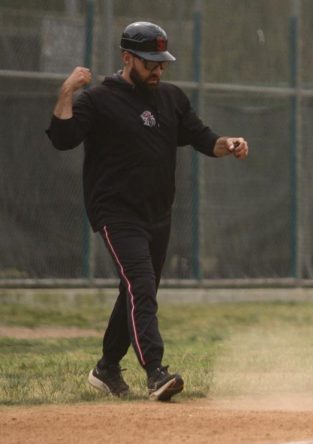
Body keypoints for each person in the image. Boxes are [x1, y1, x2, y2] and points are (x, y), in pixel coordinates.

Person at [45, 21, 249, 401]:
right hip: (116, 212)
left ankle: (106, 368)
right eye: (150, 62)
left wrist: (229, 143)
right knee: (141, 285)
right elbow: (62, 139)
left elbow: (203, 138)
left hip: (157, 212)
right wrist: (67, 92)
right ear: (127, 59)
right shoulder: (99, 100)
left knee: (136, 291)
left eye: (162, 62)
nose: (158, 70)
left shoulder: (171, 98)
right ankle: (155, 372)